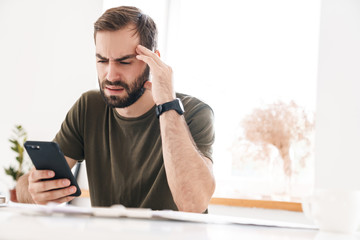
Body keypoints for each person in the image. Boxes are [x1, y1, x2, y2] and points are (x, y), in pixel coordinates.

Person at [16, 6, 215, 213]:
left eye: (124, 62)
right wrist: (33, 188)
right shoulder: (89, 107)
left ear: (152, 61)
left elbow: (193, 204)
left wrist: (167, 104)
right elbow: (26, 190)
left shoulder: (192, 112)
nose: (110, 75)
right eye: (102, 60)